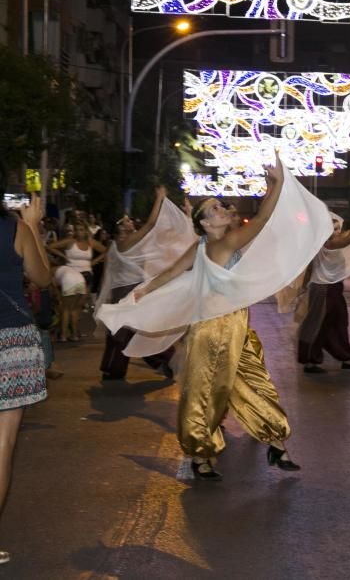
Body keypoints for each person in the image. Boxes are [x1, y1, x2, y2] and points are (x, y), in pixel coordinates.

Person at [98, 150, 331, 480]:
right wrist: (275, 184)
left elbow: (170, 274)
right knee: (206, 390)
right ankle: (201, 453)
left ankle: (274, 441)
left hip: (237, 325)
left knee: (254, 383)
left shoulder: (206, 246)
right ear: (206, 223)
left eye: (220, 206)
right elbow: (263, 219)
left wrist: (143, 293)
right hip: (213, 328)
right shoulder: (225, 243)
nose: (223, 209)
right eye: (216, 209)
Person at [97, 186, 195, 381]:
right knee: (130, 331)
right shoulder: (127, 242)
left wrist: (187, 217)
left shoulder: (119, 246)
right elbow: (151, 224)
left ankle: (118, 367)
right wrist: (159, 198)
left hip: (123, 292)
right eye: (126, 222)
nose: (130, 222)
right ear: (120, 229)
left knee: (125, 331)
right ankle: (162, 361)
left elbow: (165, 236)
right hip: (129, 292)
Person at [0, 196, 51, 564]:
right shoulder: (14, 229)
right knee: (2, 443)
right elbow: (42, 278)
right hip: (11, 342)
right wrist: (32, 225)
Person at [297, 203, 350, 374]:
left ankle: (346, 358)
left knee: (338, 322)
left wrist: (305, 285)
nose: (337, 231)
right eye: (333, 228)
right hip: (323, 289)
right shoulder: (329, 243)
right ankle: (311, 361)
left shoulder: (323, 243)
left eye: (337, 228)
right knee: (318, 324)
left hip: (331, 288)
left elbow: (311, 268)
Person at [46, 222, 106, 293]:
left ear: (86, 231)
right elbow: (49, 247)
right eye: (76, 230)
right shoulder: (70, 241)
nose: (78, 232)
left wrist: (95, 261)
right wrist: (62, 255)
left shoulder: (90, 242)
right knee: (72, 300)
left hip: (87, 274)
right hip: (71, 275)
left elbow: (107, 251)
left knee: (82, 301)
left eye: (81, 230)